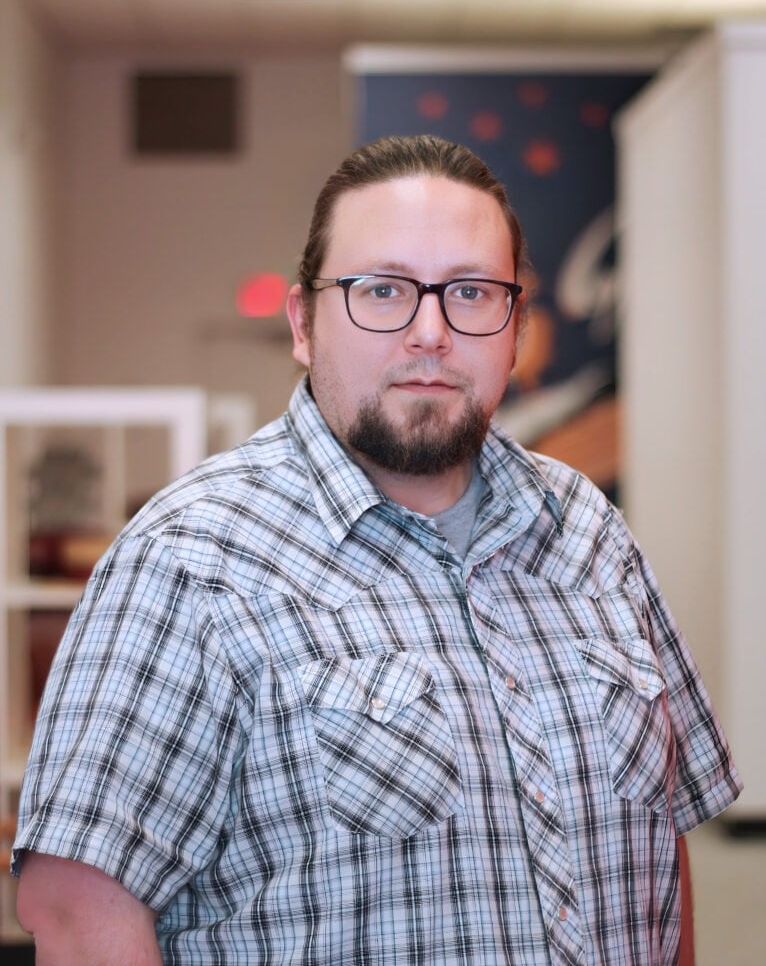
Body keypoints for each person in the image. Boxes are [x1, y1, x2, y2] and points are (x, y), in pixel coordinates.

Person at [13, 134, 740, 966]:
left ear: (514, 329)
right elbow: (75, 907)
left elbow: (660, 850)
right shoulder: (191, 559)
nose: (430, 332)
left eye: (470, 293)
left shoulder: (588, 531)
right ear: (302, 324)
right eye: (383, 290)